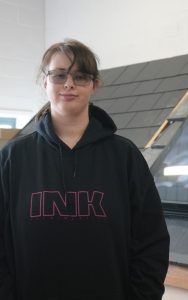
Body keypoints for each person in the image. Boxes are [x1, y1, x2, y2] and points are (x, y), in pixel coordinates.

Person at [0, 39, 170, 300]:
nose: (69, 84)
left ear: (94, 85)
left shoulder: (124, 157)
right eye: (59, 76)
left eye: (80, 76)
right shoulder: (12, 159)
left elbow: (151, 241)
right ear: (44, 82)